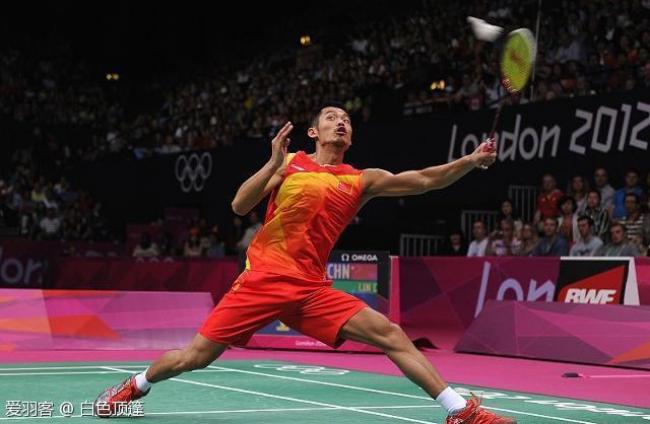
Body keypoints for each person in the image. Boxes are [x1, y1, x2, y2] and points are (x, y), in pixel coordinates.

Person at [94, 104, 513, 423]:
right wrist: (272, 163)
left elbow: (424, 180)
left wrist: (470, 161)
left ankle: (459, 411)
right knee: (195, 357)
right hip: (263, 279)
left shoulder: (361, 179)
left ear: (350, 137)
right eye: (331, 117)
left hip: (311, 289)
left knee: (390, 333)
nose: (340, 122)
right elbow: (239, 205)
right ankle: (136, 385)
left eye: (346, 119)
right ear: (314, 132)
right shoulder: (290, 164)